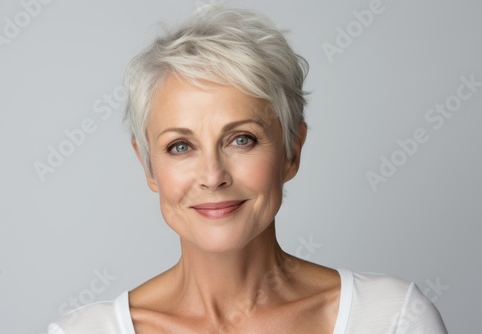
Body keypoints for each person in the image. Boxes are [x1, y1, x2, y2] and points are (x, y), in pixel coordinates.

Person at [48, 5, 448, 334]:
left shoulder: (393, 318)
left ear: (292, 150)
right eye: (180, 146)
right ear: (149, 166)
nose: (212, 175)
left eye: (241, 139)